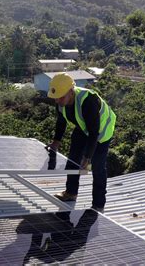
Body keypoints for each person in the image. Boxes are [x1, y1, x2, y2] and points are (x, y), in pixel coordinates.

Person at [46, 72, 116, 213]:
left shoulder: (87, 100)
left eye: (61, 97)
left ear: (71, 92)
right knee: (73, 159)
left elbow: (94, 132)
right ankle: (71, 192)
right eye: (56, 98)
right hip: (83, 128)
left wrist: (88, 157)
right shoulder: (60, 101)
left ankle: (98, 205)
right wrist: (56, 142)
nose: (57, 101)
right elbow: (61, 122)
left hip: (101, 132)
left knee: (98, 168)